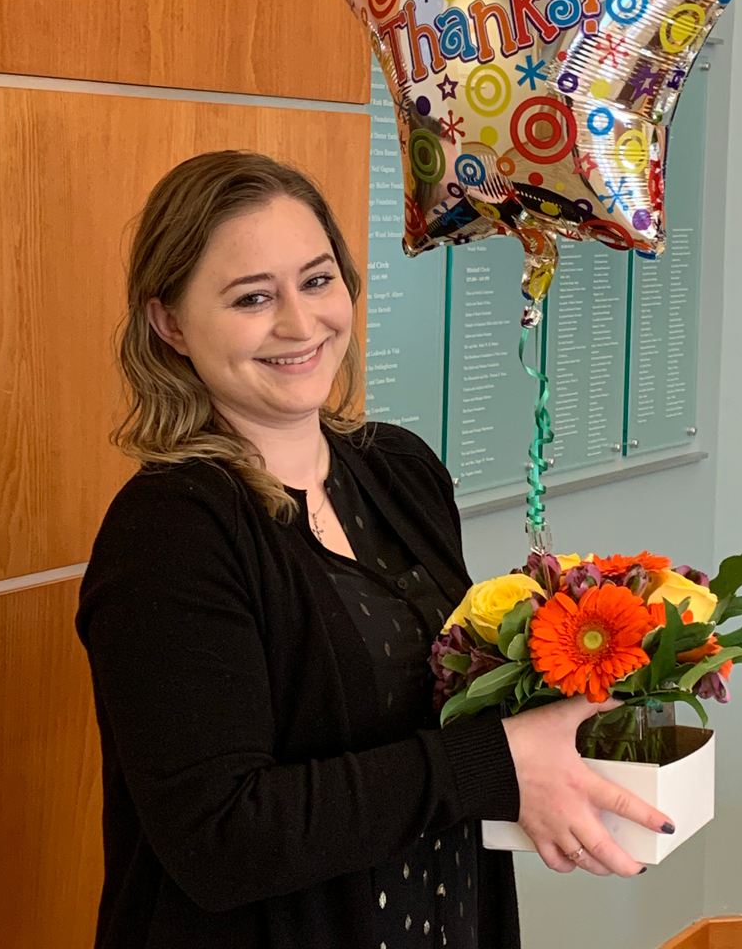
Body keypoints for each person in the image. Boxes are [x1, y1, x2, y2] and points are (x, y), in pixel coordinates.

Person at [76, 151, 673, 949]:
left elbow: (446, 708)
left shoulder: (398, 468)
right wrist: (492, 761)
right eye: (253, 297)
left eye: (317, 281)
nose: (300, 324)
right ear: (170, 324)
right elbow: (222, 839)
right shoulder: (169, 532)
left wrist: (579, 677)